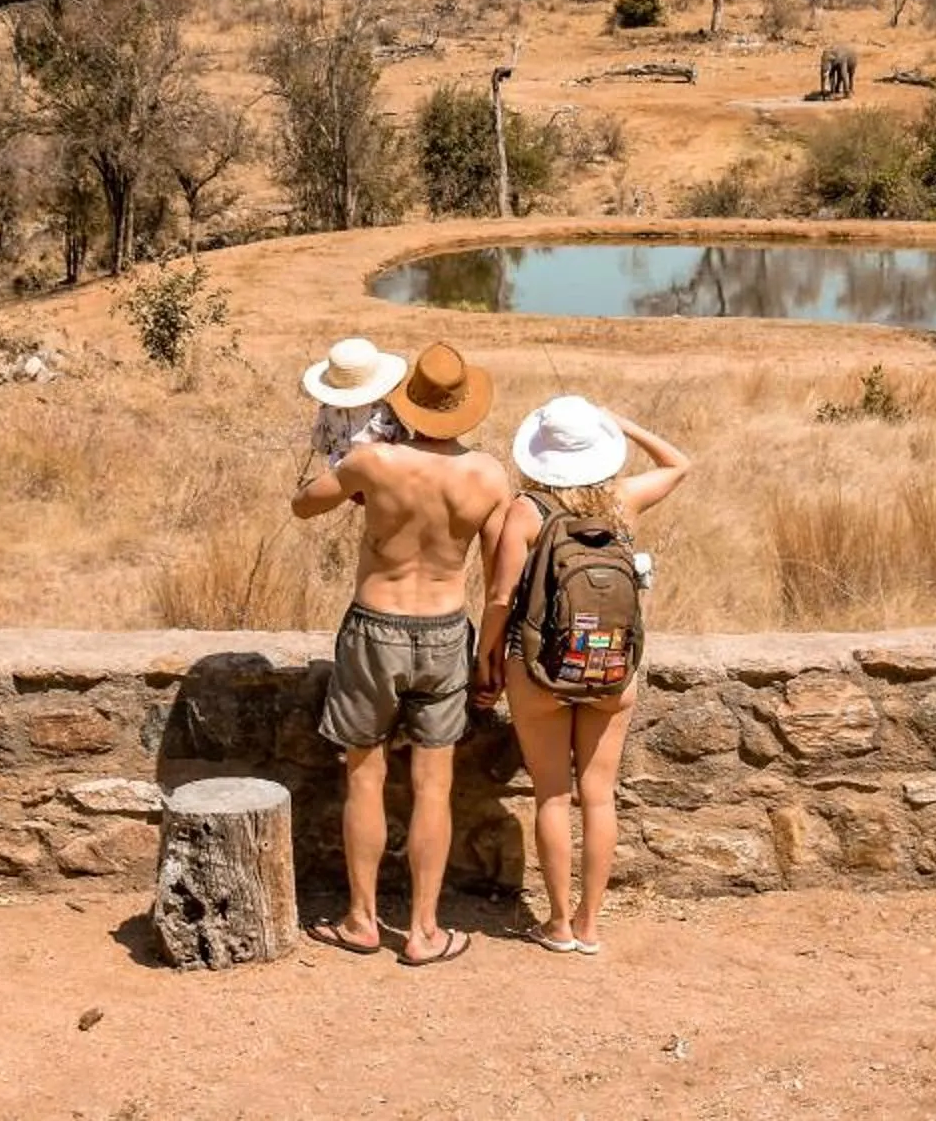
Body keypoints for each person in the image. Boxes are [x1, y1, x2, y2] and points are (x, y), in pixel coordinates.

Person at [291, 340, 510, 967]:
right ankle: (423, 930)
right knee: (433, 787)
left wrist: (344, 466)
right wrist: (489, 654)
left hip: (375, 626)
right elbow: (500, 582)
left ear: (407, 401)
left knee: (364, 776)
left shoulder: (374, 462)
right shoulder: (489, 477)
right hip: (445, 628)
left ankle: (361, 920)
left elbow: (303, 505)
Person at [472, 396, 692, 955]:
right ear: (600, 449)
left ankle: (558, 923)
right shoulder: (623, 502)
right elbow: (678, 464)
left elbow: (500, 597)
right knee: (598, 797)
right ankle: (590, 924)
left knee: (551, 795)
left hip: (538, 671)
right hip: (612, 669)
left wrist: (485, 657)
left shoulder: (527, 511)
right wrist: (622, 422)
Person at [300, 336, 408, 465]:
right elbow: (400, 440)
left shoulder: (327, 411)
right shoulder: (380, 410)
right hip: (378, 470)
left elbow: (320, 444)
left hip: (340, 473)